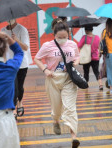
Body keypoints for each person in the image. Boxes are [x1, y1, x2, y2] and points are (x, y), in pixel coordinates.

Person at [34, 19, 80, 148]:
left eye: (65, 37)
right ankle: (56, 121)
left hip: (68, 78)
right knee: (56, 106)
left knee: (70, 107)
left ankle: (74, 137)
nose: (62, 39)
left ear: (68, 34)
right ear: (54, 35)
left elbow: (77, 56)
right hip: (53, 78)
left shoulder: (72, 44)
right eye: (59, 37)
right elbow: (37, 58)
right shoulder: (47, 46)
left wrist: (75, 63)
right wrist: (45, 69)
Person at [1, 19, 32, 118]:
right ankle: (13, 108)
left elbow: (26, 47)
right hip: (9, 63)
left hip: (22, 63)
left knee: (19, 86)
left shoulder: (22, 30)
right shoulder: (2, 30)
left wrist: (16, 40)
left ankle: (20, 102)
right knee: (12, 86)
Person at [78, 26, 103, 90]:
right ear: (92, 30)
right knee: (96, 72)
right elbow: (100, 47)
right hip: (95, 57)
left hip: (86, 58)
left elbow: (79, 46)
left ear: (86, 30)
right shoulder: (97, 37)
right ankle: (100, 85)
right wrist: (99, 55)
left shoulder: (84, 37)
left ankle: (86, 85)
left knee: (86, 72)